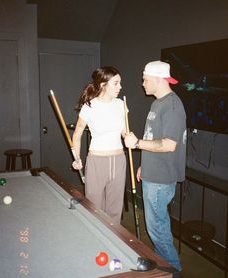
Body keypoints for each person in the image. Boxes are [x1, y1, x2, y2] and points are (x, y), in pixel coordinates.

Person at [124, 61, 187, 271]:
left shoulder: (172, 106)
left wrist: (137, 143)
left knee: (158, 231)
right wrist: (145, 165)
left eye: (145, 79)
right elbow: (155, 138)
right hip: (153, 174)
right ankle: (162, 270)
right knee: (157, 230)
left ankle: (173, 271)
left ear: (159, 79)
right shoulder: (157, 103)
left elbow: (169, 144)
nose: (142, 83)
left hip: (161, 180)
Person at [72, 66, 126, 224]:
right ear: (103, 84)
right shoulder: (89, 106)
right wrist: (77, 158)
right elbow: (77, 133)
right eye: (116, 83)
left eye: (120, 83)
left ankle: (114, 243)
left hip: (119, 160)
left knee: (115, 209)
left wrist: (129, 136)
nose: (120, 87)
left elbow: (124, 131)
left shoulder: (121, 104)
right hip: (97, 161)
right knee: (94, 207)